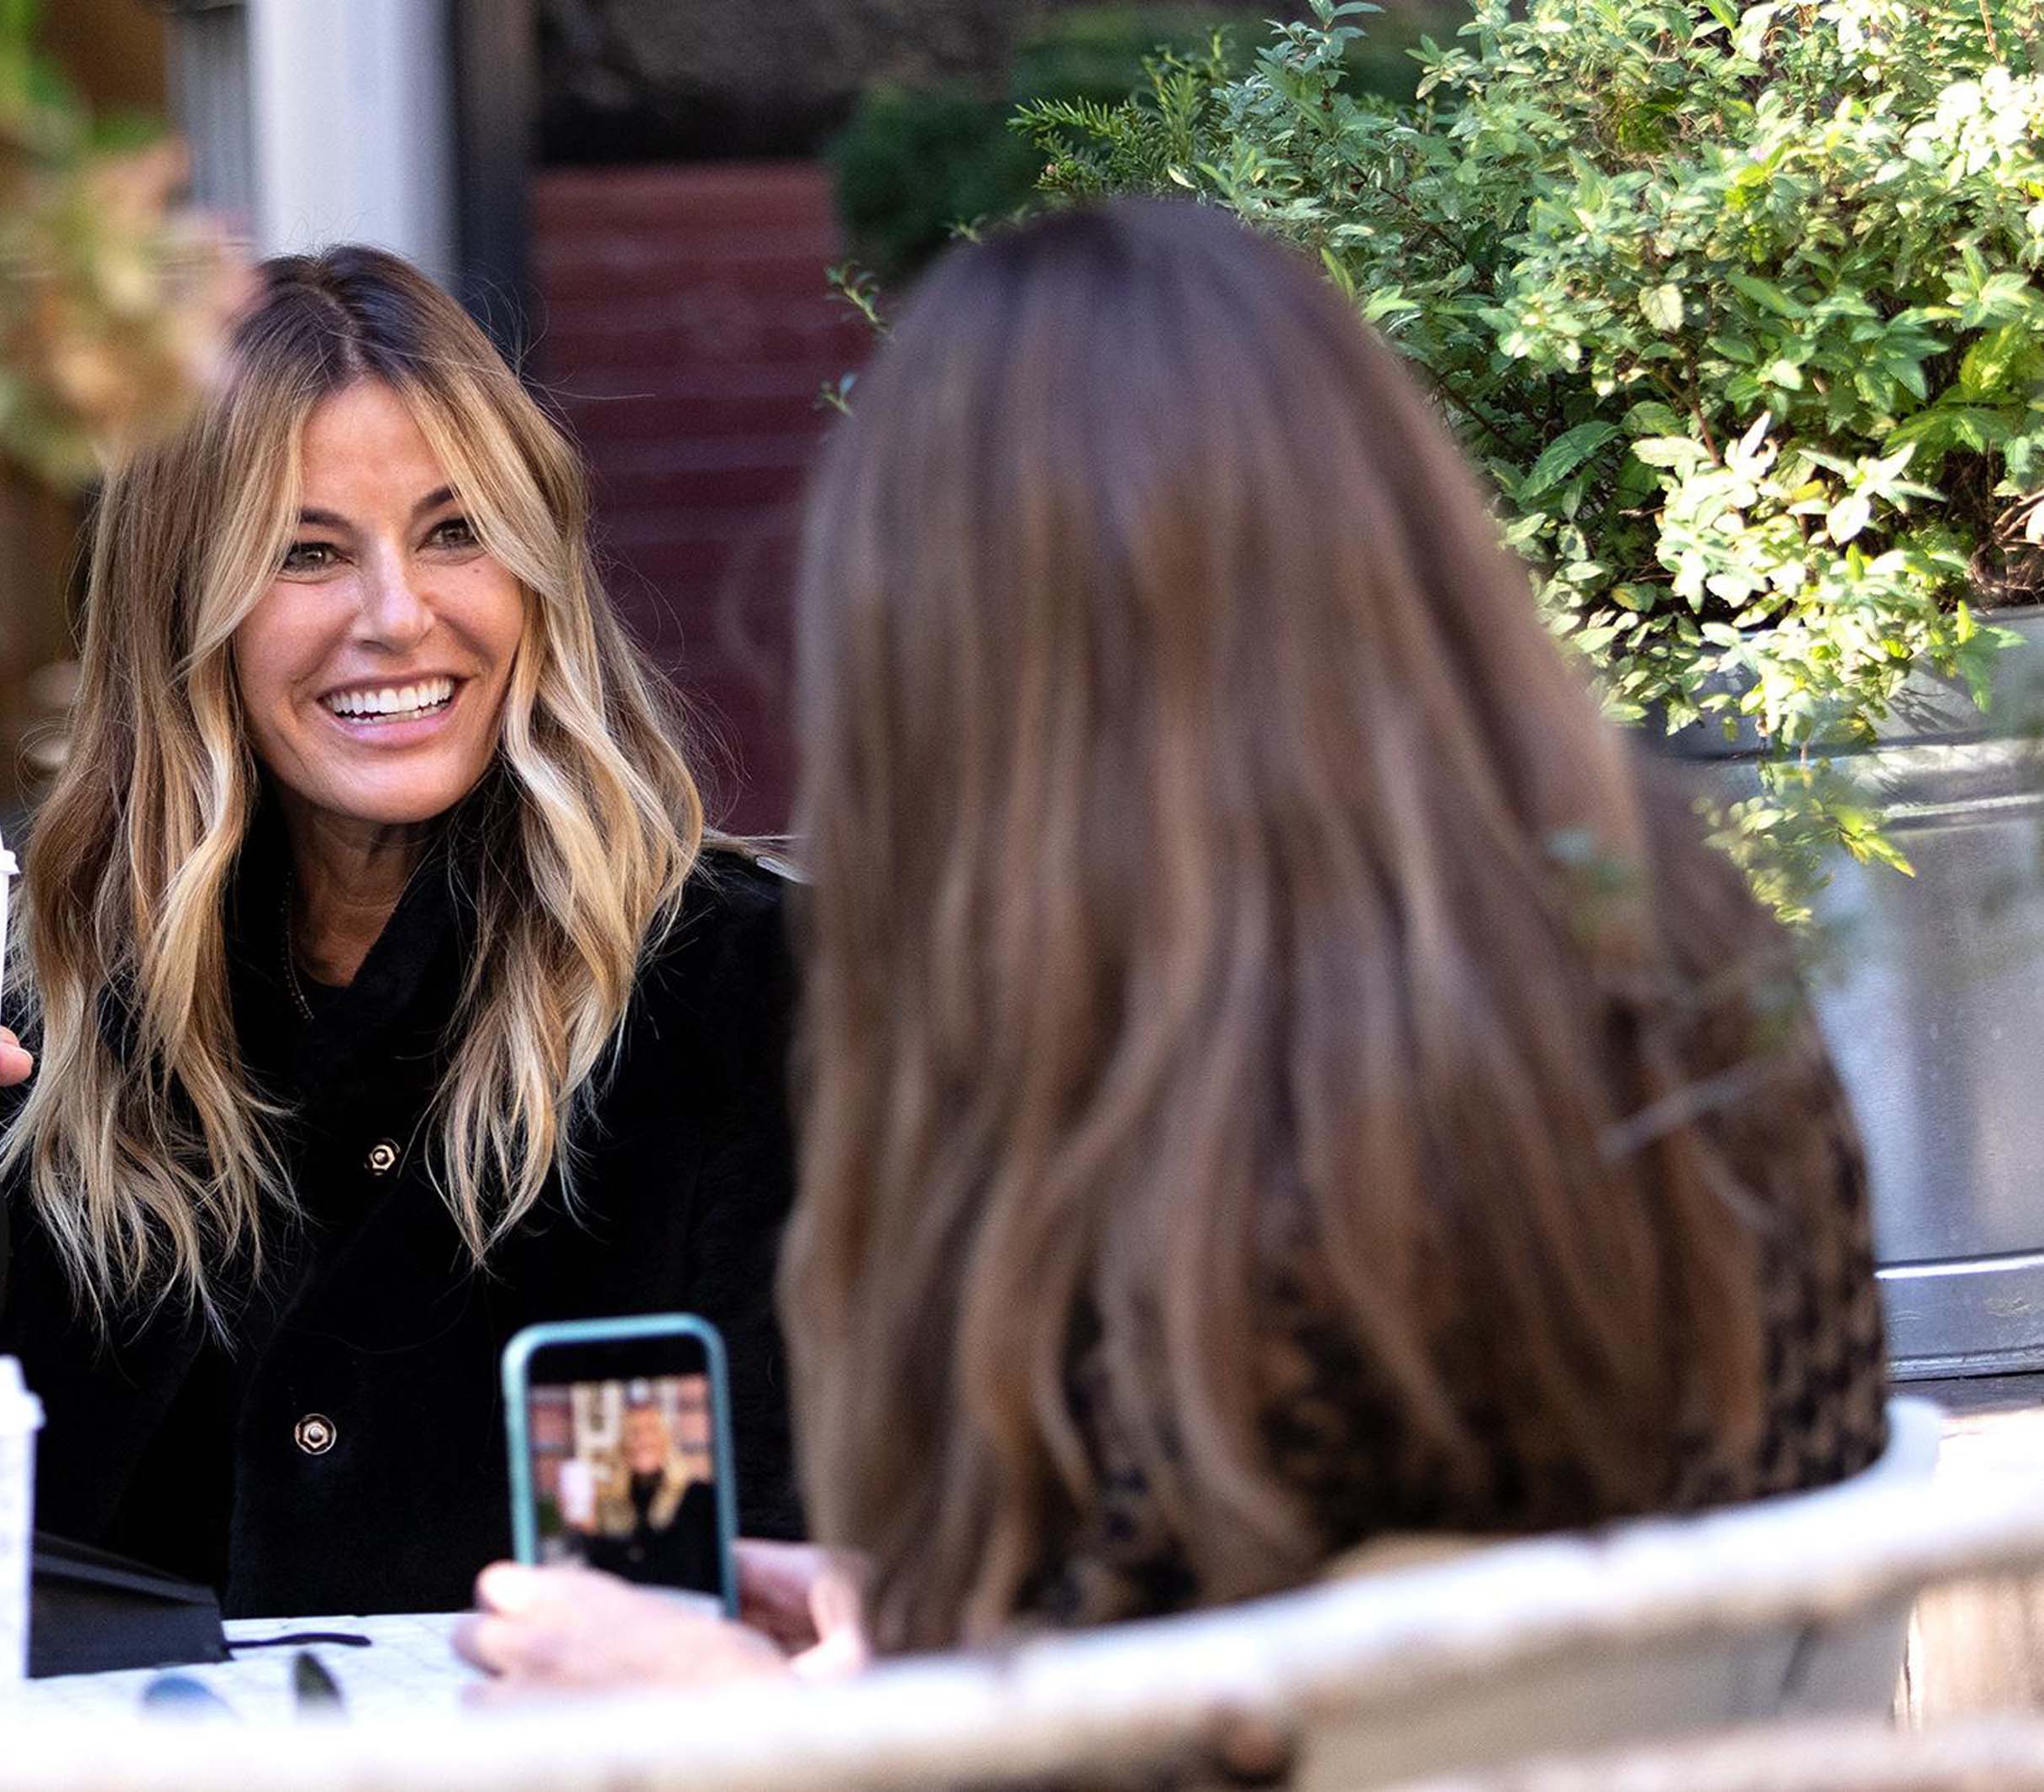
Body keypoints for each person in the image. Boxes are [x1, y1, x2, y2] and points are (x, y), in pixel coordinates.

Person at [457, 199, 1888, 1686]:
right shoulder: (1669, 945)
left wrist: (741, 1721)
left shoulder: (1272, 1163)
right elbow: (1285, 1633)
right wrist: (949, 1653)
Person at [0, 245, 801, 1616]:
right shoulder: (54, 1002)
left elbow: (803, 1563)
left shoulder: (742, 988)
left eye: (456, 532)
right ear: (179, 609)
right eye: (306, 553)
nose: (398, 615)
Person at [579, 1400, 722, 1595]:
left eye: (651, 1429)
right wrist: (588, 1532)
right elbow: (597, 1579)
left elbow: (710, 1573)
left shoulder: (699, 1496)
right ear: (622, 1443)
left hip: (683, 1615)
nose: (642, 1438)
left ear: (666, 1439)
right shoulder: (606, 1502)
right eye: (633, 1431)